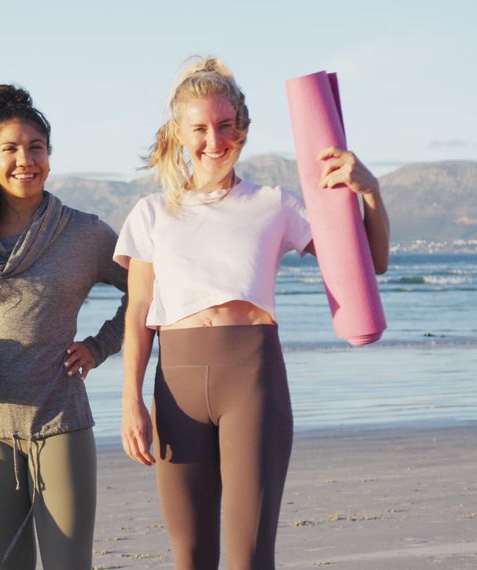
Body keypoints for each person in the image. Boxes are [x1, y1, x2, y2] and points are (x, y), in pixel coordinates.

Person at [115, 57, 390, 570]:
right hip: (176, 390)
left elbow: (370, 263)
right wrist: (131, 400)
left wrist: (368, 190)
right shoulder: (151, 213)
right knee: (191, 558)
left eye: (225, 126)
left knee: (249, 558)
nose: (213, 141)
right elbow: (137, 314)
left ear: (242, 128)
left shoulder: (276, 204)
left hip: (253, 385)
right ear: (178, 133)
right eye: (199, 128)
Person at [0, 84, 128, 569]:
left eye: (36, 148)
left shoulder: (85, 233)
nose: (25, 160)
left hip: (59, 419)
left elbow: (148, 290)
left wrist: (101, 346)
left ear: (50, 156)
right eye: (10, 149)